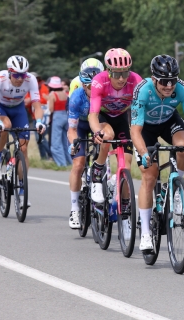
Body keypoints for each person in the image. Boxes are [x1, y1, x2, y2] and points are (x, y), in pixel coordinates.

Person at [131, 54, 184, 251]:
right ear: (154, 79)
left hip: (169, 122)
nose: (169, 85)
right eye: (164, 81)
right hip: (145, 128)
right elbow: (135, 130)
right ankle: (146, 232)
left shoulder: (182, 88)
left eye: (172, 80)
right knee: (150, 174)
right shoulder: (142, 90)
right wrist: (143, 153)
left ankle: (174, 190)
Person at [0, 55, 47, 208]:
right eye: (16, 75)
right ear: (9, 72)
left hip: (19, 109)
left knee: (23, 148)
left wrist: (40, 121)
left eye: (23, 74)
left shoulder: (31, 80)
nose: (20, 78)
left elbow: (37, 106)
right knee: (5, 125)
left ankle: (22, 190)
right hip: (2, 107)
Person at [88, 48, 142, 205]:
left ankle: (124, 209)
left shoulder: (136, 80)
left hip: (122, 117)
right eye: (116, 73)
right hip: (103, 116)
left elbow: (140, 111)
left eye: (125, 73)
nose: (121, 79)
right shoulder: (99, 81)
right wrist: (97, 131)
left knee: (126, 165)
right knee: (108, 135)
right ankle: (97, 171)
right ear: (108, 70)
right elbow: (92, 114)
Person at [66, 67, 101, 229]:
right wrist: (74, 143)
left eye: (95, 86)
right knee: (78, 164)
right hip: (80, 126)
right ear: (83, 85)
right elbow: (71, 130)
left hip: (97, 124)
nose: (92, 90)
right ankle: (74, 209)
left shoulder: (104, 95)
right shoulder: (76, 97)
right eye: (88, 86)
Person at [25, 72, 51, 160]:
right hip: (34, 116)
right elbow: (25, 103)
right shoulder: (27, 89)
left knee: (40, 136)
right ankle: (44, 157)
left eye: (36, 79)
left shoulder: (44, 87)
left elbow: (45, 99)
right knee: (38, 138)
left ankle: (51, 154)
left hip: (44, 116)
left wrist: (33, 100)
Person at [47, 76, 71, 167]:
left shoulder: (53, 95)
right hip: (66, 117)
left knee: (55, 144)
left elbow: (51, 109)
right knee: (65, 141)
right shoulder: (65, 93)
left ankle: (62, 164)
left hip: (57, 117)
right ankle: (70, 162)